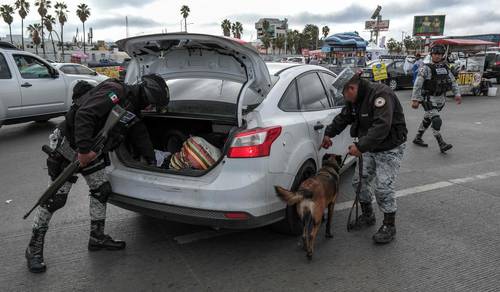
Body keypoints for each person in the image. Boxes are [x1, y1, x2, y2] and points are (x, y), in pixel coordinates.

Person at [25, 74, 170, 273]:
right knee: (55, 198)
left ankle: (97, 237)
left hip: (91, 149)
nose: (150, 108)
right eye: (152, 104)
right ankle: (33, 247)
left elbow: (139, 132)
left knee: (101, 190)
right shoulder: (115, 91)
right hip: (70, 145)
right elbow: (84, 115)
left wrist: (151, 159)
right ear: (146, 95)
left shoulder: (132, 106)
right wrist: (83, 151)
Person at [321, 68, 407, 244]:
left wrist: (360, 147)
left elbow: (381, 126)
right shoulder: (355, 100)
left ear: (352, 88)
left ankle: (389, 225)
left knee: (383, 187)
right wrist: (329, 133)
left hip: (390, 147)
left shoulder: (381, 94)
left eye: (344, 94)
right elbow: (344, 117)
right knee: (359, 182)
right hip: (370, 147)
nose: (345, 99)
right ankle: (368, 215)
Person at [411, 44, 461, 153]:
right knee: (436, 120)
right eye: (435, 54)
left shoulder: (445, 68)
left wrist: (457, 94)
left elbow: (452, 82)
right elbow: (418, 84)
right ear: (431, 54)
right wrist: (415, 99)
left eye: (440, 54)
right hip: (428, 98)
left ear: (442, 55)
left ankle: (418, 137)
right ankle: (441, 143)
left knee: (428, 118)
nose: (437, 56)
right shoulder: (425, 68)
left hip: (440, 99)